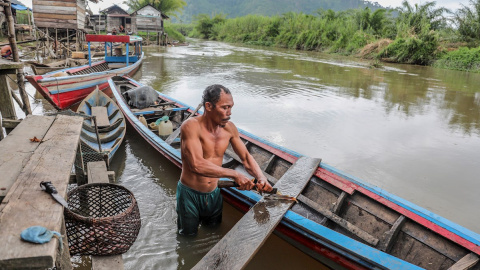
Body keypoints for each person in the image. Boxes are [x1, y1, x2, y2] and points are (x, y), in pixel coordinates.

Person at [176, 84, 273, 235]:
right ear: (209, 106)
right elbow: (197, 164)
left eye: (231, 107)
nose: (229, 113)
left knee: (214, 232)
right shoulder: (191, 126)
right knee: (188, 237)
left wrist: (260, 177)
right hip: (190, 195)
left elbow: (246, 158)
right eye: (224, 108)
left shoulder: (229, 128)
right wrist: (234, 174)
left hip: (214, 194)